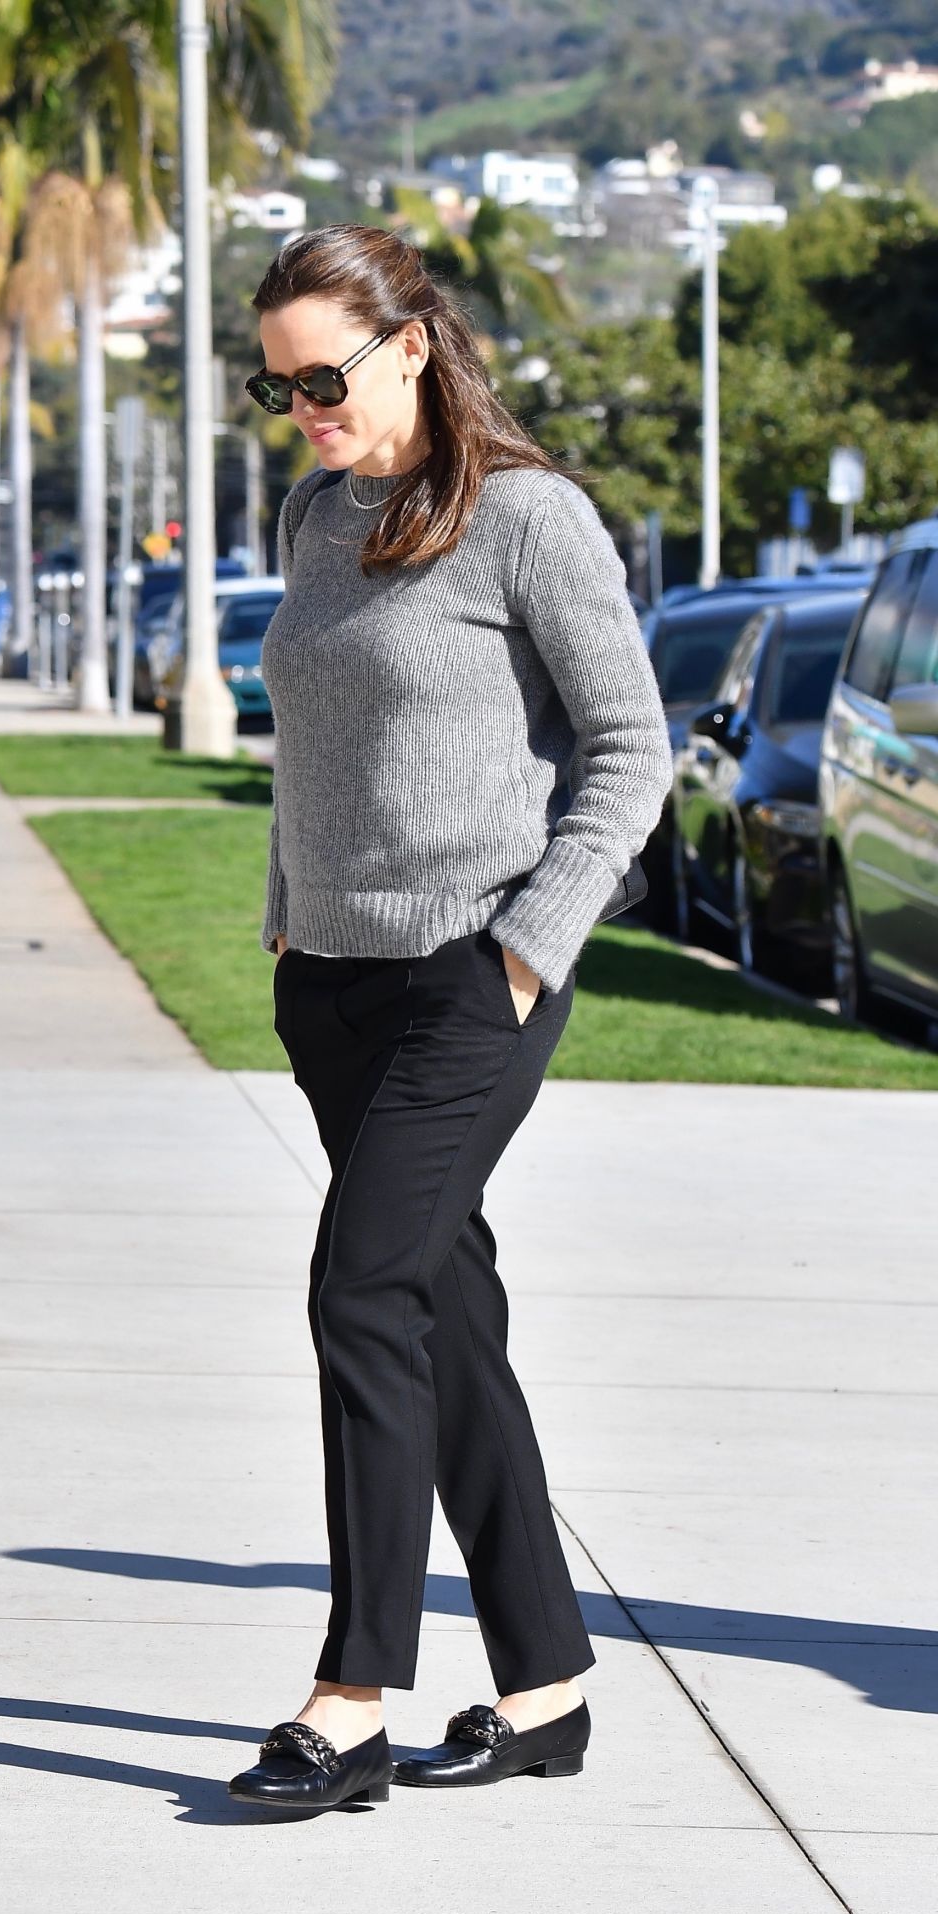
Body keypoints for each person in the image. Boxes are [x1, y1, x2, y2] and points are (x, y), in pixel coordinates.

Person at [225, 225, 674, 1812]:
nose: (304, 410)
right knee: (439, 1309)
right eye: (277, 389)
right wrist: (288, 898)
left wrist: (532, 945)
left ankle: (352, 1696)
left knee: (361, 1290)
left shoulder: (530, 521)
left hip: (474, 979)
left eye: (323, 378)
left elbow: (631, 748)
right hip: (331, 983)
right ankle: (544, 1684)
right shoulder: (311, 514)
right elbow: (311, 731)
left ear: (411, 342)